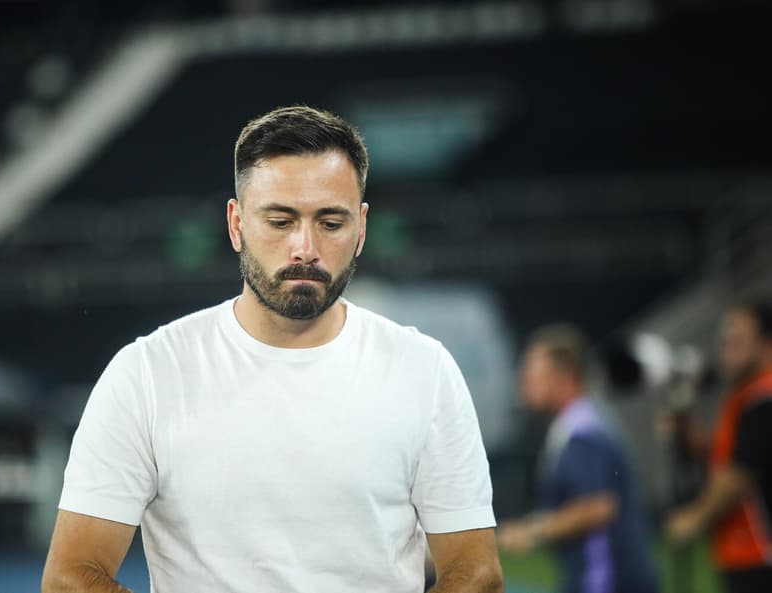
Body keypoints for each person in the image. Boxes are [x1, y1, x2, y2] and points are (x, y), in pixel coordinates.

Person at [41, 105, 503, 593]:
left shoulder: (424, 371)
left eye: (330, 223)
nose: (305, 247)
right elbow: (72, 577)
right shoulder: (148, 375)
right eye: (280, 221)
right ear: (236, 224)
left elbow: (476, 572)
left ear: (362, 228)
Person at [498, 324, 658, 593]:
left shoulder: (583, 432)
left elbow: (598, 506)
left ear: (564, 378)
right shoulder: (582, 424)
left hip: (605, 581)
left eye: (532, 373)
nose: (523, 381)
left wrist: (531, 532)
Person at [666, 300, 772, 593]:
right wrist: (690, 436)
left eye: (737, 341)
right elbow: (734, 456)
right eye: (725, 341)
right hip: (743, 551)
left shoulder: (763, 398)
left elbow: (739, 476)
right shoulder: (746, 395)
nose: (727, 350)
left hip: (759, 552)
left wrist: (693, 518)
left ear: (766, 343)